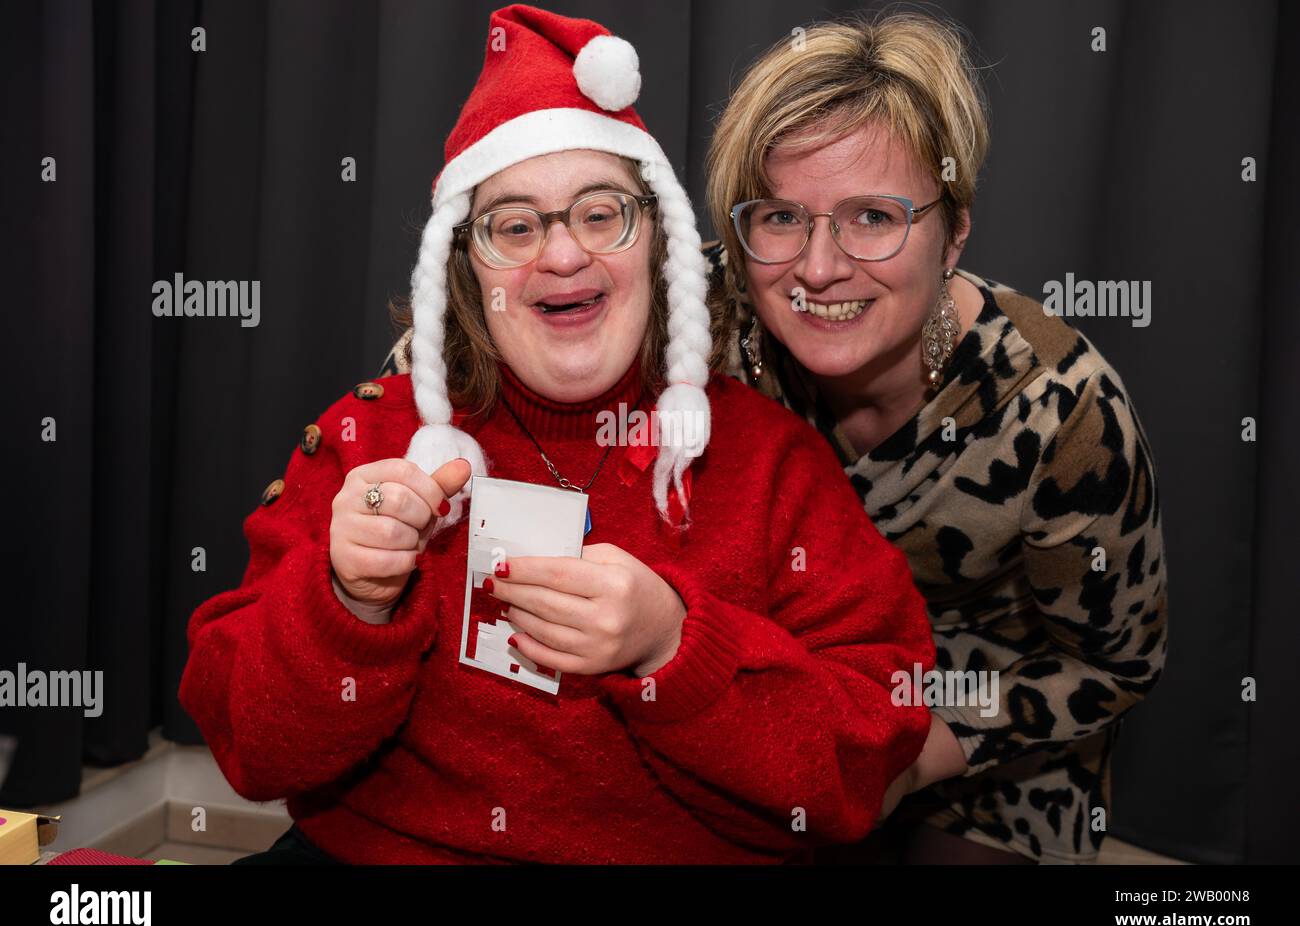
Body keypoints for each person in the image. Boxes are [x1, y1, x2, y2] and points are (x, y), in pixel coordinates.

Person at [180, 4, 934, 865]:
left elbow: (862, 765)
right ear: (466, 266)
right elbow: (250, 748)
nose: (563, 256)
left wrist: (675, 645)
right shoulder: (370, 442)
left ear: (657, 242)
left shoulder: (774, 465)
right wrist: (345, 603)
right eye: (515, 225)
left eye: (600, 213)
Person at [703, 12, 1168, 864]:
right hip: (772, 694)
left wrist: (908, 764)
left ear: (954, 233)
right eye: (779, 217)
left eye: (873, 217)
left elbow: (1113, 666)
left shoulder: (1065, 411)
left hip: (982, 728)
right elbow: (489, 347)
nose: (818, 267)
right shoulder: (700, 315)